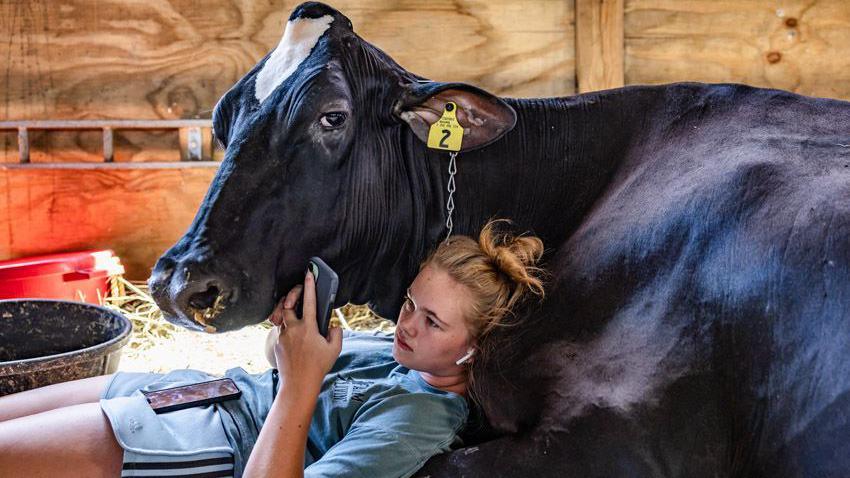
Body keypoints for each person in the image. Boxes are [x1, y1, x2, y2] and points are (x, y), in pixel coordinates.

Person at [0, 219, 545, 478]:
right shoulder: (398, 353)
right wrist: (288, 332)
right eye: (409, 302)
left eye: (432, 321)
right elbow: (277, 360)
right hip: (194, 389)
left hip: (207, 438)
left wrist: (302, 381)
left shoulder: (418, 418)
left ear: (474, 349)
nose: (407, 323)